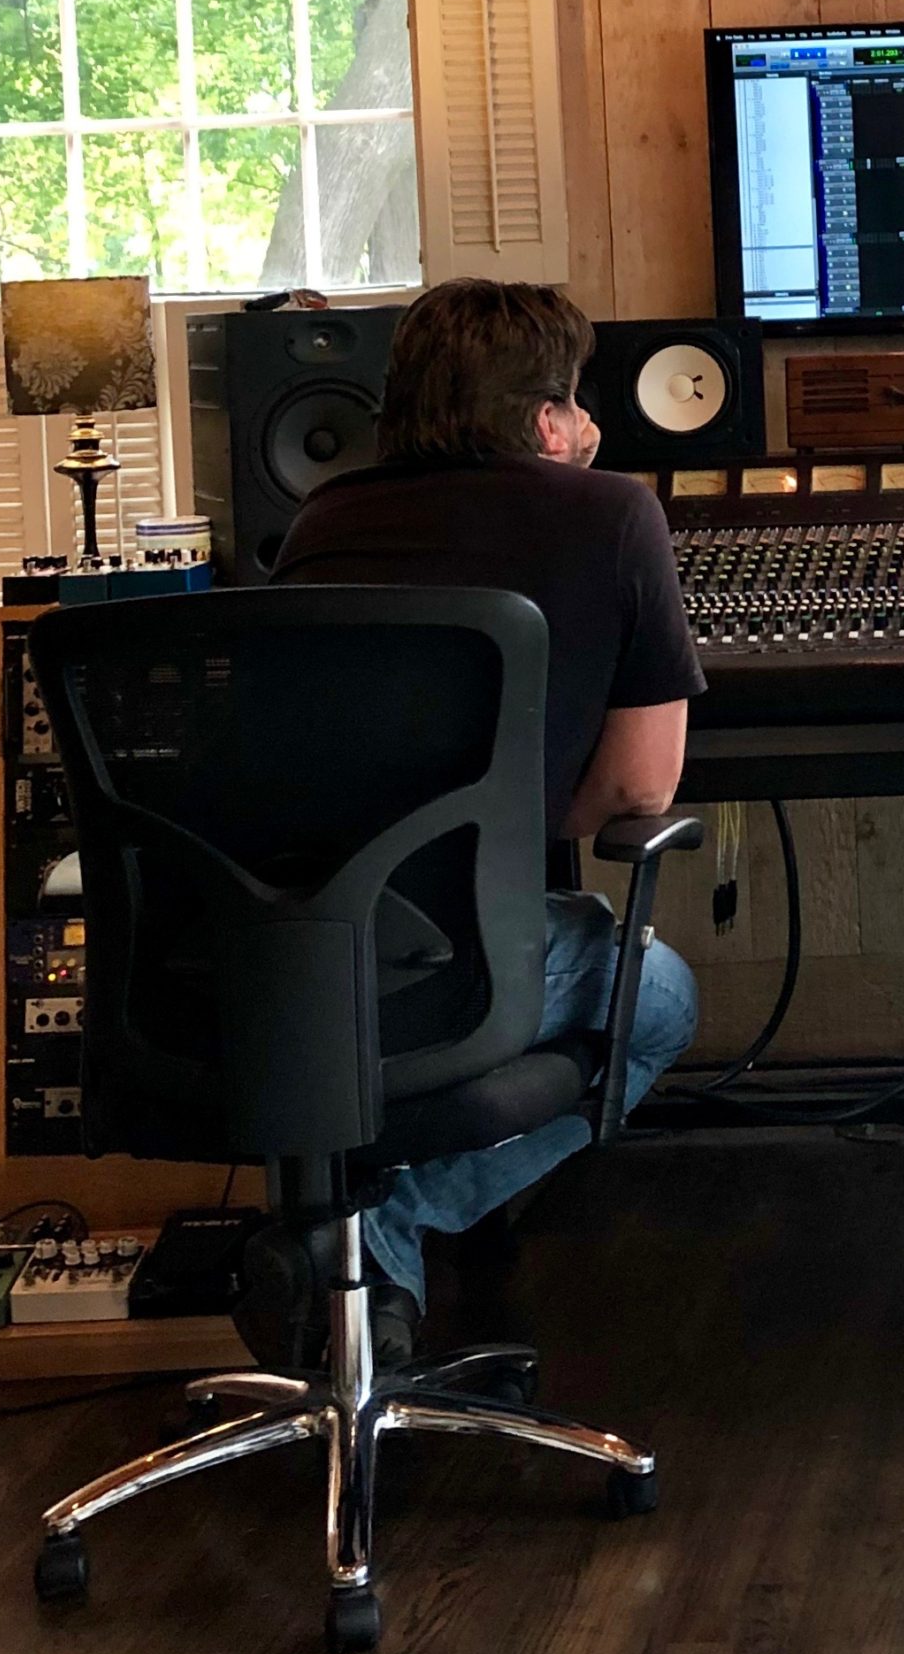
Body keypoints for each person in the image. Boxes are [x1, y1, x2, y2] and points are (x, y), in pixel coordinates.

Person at [262, 278, 703, 1362]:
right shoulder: (612, 513)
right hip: (468, 962)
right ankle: (399, 1219)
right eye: (576, 398)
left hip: (298, 961)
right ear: (549, 420)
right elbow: (641, 792)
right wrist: (523, 819)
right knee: (660, 999)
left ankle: (348, 1252)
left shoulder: (321, 520)